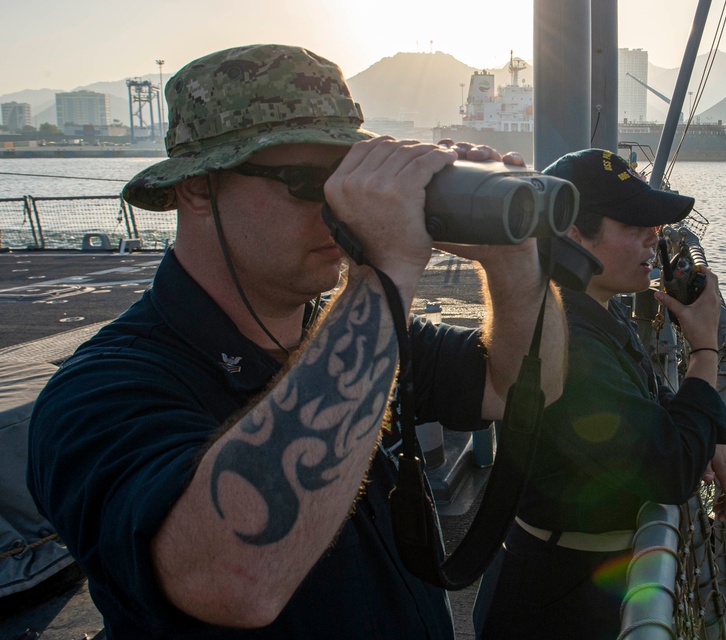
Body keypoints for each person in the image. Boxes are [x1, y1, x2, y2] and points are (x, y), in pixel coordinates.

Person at [26, 44, 565, 638]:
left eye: (348, 180)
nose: (340, 211)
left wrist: (515, 261)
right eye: (311, 182)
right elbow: (232, 581)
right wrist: (382, 270)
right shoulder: (101, 390)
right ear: (199, 190)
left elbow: (518, 386)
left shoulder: (353, 334)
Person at [473, 148, 726, 640]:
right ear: (575, 237)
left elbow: (653, 399)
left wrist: (713, 433)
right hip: (555, 602)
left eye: (654, 228)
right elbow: (670, 468)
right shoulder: (570, 342)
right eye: (636, 227)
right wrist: (704, 348)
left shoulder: (593, 305)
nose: (653, 241)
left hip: (576, 576)